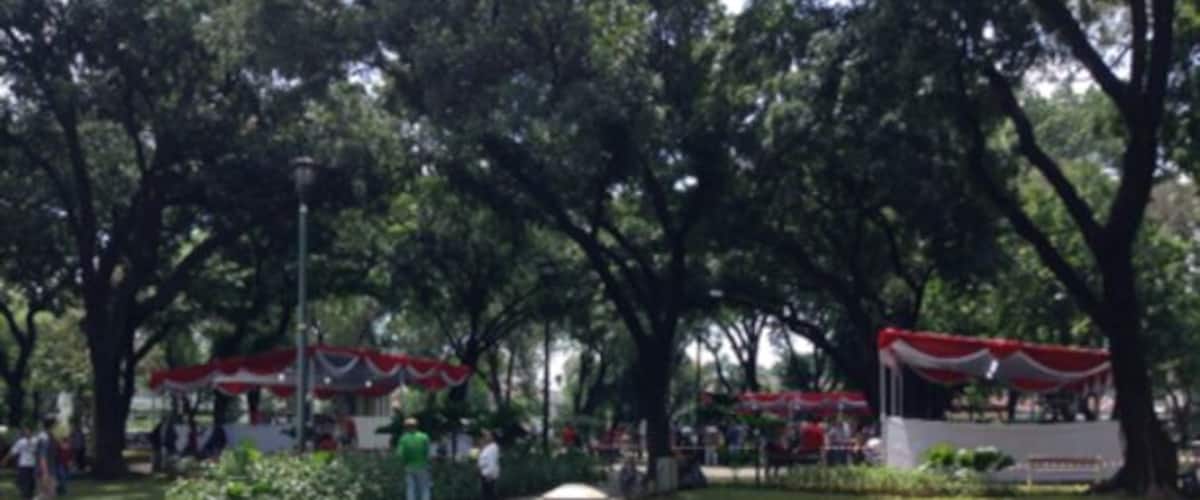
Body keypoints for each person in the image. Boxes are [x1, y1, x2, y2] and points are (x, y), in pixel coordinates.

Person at [397, 417, 431, 500]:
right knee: (424, 489)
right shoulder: (424, 437)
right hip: (423, 466)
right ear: (417, 426)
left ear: (406, 427)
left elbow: (400, 454)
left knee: (410, 489)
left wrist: (405, 462)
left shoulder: (403, 439)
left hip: (409, 467)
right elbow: (428, 453)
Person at [3, 425, 36, 499]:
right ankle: (26, 496)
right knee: (25, 481)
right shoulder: (21, 442)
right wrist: (5, 459)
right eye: (25, 431)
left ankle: (29, 495)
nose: (26, 432)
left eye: (28, 431)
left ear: (31, 431)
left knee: (32, 482)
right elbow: (13, 451)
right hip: (23, 464)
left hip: (33, 464)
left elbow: (39, 453)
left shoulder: (35, 441)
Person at [34, 417, 58, 499]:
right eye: (56, 425)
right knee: (47, 495)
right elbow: (42, 456)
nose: (58, 427)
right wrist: (45, 473)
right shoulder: (44, 437)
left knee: (49, 495)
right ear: (52, 425)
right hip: (45, 471)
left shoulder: (49, 436)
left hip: (49, 470)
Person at [477, 430, 500, 500]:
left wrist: (490, 475)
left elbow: (492, 462)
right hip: (484, 474)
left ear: (492, 437)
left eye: (488, 436)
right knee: (487, 494)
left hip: (488, 475)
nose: (486, 437)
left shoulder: (493, 448)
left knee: (489, 495)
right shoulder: (487, 447)